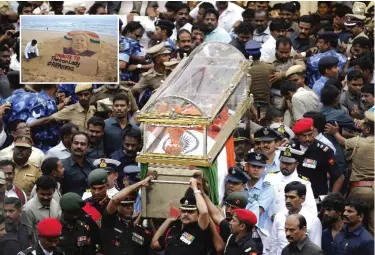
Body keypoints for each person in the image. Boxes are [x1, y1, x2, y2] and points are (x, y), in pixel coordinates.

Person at [325, 108, 374, 235]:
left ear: (368, 129)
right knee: (373, 227)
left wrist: (335, 132)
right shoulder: (359, 141)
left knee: (347, 221)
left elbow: (342, 141)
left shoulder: (358, 142)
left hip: (359, 190)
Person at [264, 146, 317, 231]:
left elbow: (311, 210)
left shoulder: (303, 182)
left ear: (296, 164)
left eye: (289, 164)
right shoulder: (270, 177)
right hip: (267, 226)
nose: (285, 166)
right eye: (283, 162)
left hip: (290, 227)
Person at [151, 179, 210, 255]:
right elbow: (154, 244)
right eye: (183, 211)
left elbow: (204, 212)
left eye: (190, 212)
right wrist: (168, 220)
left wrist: (195, 188)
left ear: (198, 215)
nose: (185, 214)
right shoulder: (173, 229)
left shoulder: (200, 228)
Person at [292, 118, 343, 198]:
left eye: (310, 134)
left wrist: (331, 199)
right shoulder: (291, 148)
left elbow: (339, 177)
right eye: (304, 136)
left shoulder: (324, 151)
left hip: (315, 196)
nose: (308, 139)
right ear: (297, 136)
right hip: (293, 195)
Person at [102, 175, 154, 254]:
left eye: (131, 205)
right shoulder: (110, 221)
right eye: (125, 205)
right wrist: (140, 183)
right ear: (118, 206)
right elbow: (115, 200)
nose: (129, 208)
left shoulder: (139, 231)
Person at [269, 181, 322, 255]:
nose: (287, 200)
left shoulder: (313, 220)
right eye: (286, 197)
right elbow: (273, 245)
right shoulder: (279, 216)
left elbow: (316, 248)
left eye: (292, 197)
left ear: (302, 198)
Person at [27, 84, 96, 133]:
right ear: (77, 96)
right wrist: (27, 126)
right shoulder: (70, 110)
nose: (83, 98)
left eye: (86, 94)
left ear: (91, 94)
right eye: (80, 95)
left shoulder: (93, 108)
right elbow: (48, 119)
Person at [21, 176, 60, 244]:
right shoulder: (28, 209)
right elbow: (27, 237)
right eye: (42, 194)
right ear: (36, 191)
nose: (45, 197)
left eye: (49, 194)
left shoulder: (55, 204)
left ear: (54, 191)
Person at [27, 85, 61, 153]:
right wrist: (51, 118)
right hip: (42, 146)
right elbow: (31, 122)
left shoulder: (50, 99)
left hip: (52, 144)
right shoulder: (40, 100)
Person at [245, 151, 275, 228]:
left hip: (256, 232)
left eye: (260, 167)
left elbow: (256, 212)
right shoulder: (240, 184)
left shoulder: (267, 188)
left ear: (264, 168)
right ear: (247, 166)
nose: (256, 169)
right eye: (254, 166)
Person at [245, 40, 275, 114]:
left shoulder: (241, 70)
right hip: (265, 107)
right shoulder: (269, 67)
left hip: (248, 109)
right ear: (260, 54)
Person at [110, 125, 142, 189]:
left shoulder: (143, 159)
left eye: (133, 145)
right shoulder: (114, 159)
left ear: (139, 144)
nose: (130, 148)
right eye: (127, 145)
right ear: (122, 142)